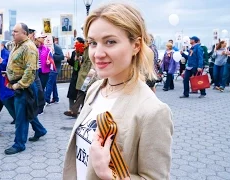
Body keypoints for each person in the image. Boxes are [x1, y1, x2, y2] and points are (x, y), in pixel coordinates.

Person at [63, 3, 173, 179]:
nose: (97, 53)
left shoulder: (153, 111)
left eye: (110, 42)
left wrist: (109, 174)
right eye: (92, 43)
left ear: (136, 45)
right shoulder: (96, 89)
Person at [5, 23, 39, 155]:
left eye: (16, 31)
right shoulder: (17, 45)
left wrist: (17, 85)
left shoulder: (28, 48)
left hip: (24, 87)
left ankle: (19, 144)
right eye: (13, 31)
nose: (13, 33)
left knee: (21, 117)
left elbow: (30, 72)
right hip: (16, 84)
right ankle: (40, 130)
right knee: (26, 113)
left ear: (24, 33)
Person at [65, 37, 85, 116]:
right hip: (75, 75)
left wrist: (79, 60)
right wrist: (69, 59)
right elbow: (74, 65)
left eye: (76, 43)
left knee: (81, 93)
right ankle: (71, 109)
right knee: (71, 93)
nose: (75, 44)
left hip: (82, 75)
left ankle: (80, 110)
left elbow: (84, 65)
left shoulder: (85, 53)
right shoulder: (74, 52)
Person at [44, 38, 64, 104]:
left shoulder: (57, 47)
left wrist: (52, 56)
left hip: (55, 68)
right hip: (48, 68)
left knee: (49, 83)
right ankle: (56, 98)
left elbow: (61, 57)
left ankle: (47, 99)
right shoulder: (45, 47)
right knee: (53, 83)